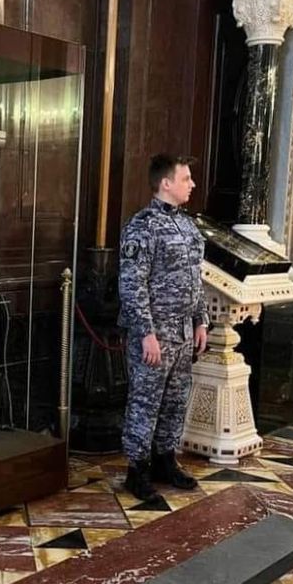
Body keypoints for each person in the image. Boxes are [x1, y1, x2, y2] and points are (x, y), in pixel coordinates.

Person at [118, 154, 208, 501]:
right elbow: (132, 284)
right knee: (145, 403)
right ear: (166, 183)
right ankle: (137, 470)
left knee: (174, 402)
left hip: (183, 335)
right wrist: (146, 333)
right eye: (186, 178)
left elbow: (196, 279)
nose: (192, 184)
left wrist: (200, 320)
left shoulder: (188, 226)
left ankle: (164, 461)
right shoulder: (143, 226)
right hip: (155, 336)